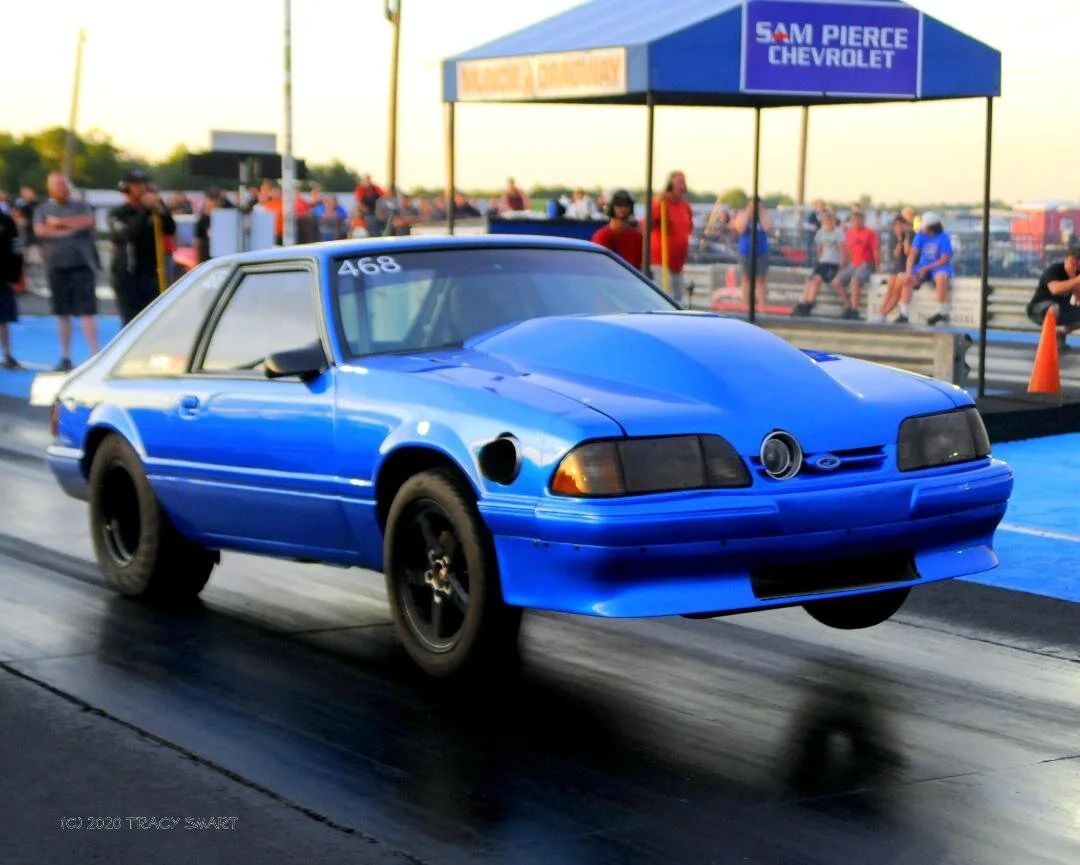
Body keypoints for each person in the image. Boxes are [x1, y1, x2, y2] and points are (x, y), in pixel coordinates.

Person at [33, 172, 101, 371]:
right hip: (56, 266)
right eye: (58, 185)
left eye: (64, 184)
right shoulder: (43, 209)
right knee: (62, 313)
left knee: (87, 311)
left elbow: (87, 221)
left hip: (81, 265)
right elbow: (41, 230)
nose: (62, 188)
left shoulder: (81, 206)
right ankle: (65, 356)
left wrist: (60, 224)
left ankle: (95, 355)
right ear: (50, 188)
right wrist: (69, 228)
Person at [107, 169, 176, 325]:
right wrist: (144, 210)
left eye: (144, 183)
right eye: (136, 184)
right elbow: (130, 233)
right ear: (126, 188)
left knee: (153, 321)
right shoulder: (117, 213)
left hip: (151, 274)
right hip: (127, 275)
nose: (141, 187)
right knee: (131, 321)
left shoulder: (154, 211)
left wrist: (162, 208)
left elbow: (170, 229)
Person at [897, 211, 953, 325]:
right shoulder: (920, 235)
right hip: (923, 265)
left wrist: (927, 268)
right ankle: (904, 313)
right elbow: (912, 254)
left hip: (938, 266)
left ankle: (941, 311)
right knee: (908, 279)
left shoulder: (944, 237)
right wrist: (908, 271)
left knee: (941, 277)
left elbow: (944, 259)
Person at [649, 170, 694, 304]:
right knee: (663, 299)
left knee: (678, 299)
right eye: (679, 183)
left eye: (683, 183)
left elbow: (689, 228)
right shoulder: (661, 204)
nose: (682, 186)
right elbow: (650, 223)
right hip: (661, 262)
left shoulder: (685, 206)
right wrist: (658, 202)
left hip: (678, 263)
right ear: (670, 185)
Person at [792, 209, 845, 317]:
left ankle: (809, 304)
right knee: (810, 280)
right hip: (823, 262)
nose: (829, 224)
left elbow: (842, 249)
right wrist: (819, 259)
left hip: (832, 263)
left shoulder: (838, 233)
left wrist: (841, 263)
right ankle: (804, 302)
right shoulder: (821, 233)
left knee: (817, 279)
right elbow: (819, 249)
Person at [1027, 245, 1080, 352]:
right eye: (1072, 262)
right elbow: (1055, 289)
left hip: (1062, 309)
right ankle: (1049, 340)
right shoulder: (1054, 270)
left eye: (1077, 263)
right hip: (1039, 308)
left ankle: (1061, 333)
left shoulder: (1076, 275)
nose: (1073, 266)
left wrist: (1074, 277)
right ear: (1066, 259)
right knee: (1053, 307)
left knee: (1059, 308)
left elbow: (1078, 298)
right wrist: (1076, 280)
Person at [834, 209, 880, 319]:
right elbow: (847, 249)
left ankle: (855, 309)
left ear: (863, 220)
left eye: (858, 220)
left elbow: (876, 251)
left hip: (866, 263)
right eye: (854, 220)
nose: (856, 222)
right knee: (837, 282)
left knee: (855, 281)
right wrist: (845, 263)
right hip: (853, 263)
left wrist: (878, 267)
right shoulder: (849, 233)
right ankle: (848, 306)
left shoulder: (870, 233)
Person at [733, 197, 773, 312]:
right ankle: (745, 307)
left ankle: (762, 308)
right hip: (746, 250)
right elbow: (740, 228)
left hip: (761, 250)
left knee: (760, 279)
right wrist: (748, 212)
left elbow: (767, 227)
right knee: (746, 278)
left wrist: (761, 212)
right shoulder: (742, 213)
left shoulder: (764, 214)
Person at [873, 214, 914, 322]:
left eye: (901, 225)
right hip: (896, 267)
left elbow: (907, 251)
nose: (898, 227)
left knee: (896, 292)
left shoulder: (911, 235)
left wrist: (906, 237)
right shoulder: (893, 236)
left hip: (906, 268)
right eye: (896, 225)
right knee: (889, 291)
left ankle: (883, 314)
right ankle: (881, 314)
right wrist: (900, 239)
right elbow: (896, 253)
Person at [591, 189, 643, 270]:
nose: (623, 208)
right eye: (618, 205)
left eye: (626, 205)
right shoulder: (601, 236)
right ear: (611, 207)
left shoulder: (638, 237)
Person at [0, 207, 23, 369]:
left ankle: (8, 354)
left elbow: (16, 248)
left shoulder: (6, 221)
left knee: (3, 319)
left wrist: (14, 275)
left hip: (2, 277)